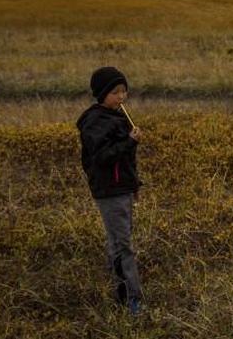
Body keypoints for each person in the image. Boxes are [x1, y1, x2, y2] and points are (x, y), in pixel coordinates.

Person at [76, 66, 145, 315]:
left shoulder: (118, 117)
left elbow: (127, 161)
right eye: (116, 92)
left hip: (122, 188)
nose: (122, 97)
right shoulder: (95, 123)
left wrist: (134, 185)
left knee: (119, 239)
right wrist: (129, 142)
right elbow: (103, 158)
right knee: (122, 244)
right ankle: (130, 299)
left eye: (124, 91)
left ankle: (119, 286)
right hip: (110, 190)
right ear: (103, 93)